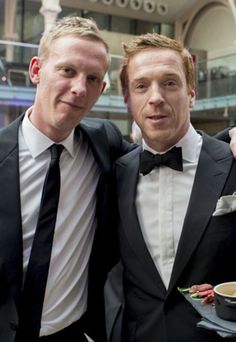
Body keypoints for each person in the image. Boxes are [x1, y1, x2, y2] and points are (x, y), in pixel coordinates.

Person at [0, 16, 133, 342]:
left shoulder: (105, 142)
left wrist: (228, 137)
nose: (78, 88)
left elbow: (162, 152)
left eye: (92, 78)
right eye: (67, 71)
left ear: (101, 90)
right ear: (36, 70)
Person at [112, 32, 236, 341]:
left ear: (191, 92)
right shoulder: (114, 174)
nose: (155, 97)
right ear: (128, 99)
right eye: (141, 86)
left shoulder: (233, 161)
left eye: (169, 83)